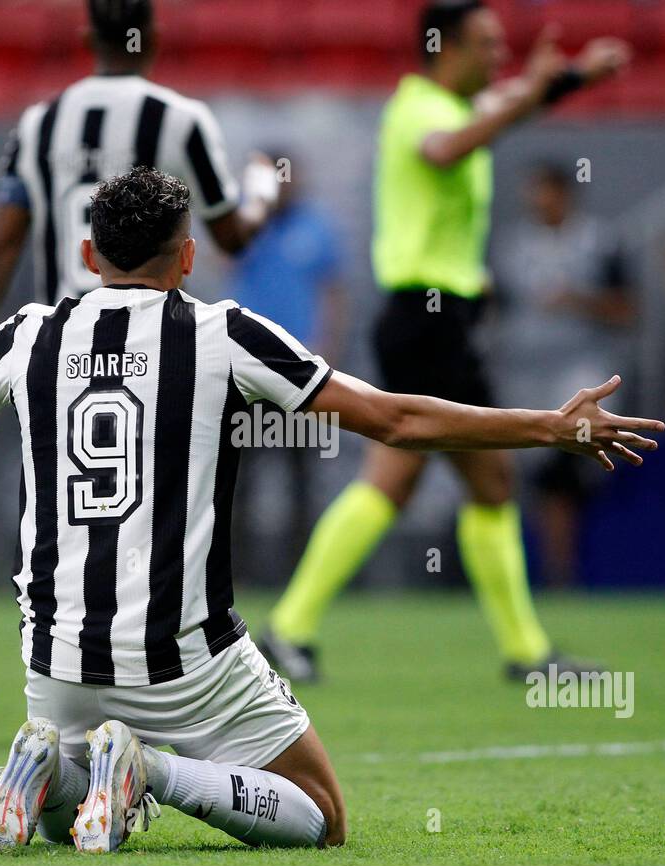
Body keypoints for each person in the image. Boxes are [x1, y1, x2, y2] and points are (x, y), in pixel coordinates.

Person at [0, 167, 665, 852]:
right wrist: (552, 426)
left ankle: (55, 765)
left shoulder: (30, 334)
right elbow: (396, 418)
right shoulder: (222, 334)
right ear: (187, 256)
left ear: (84, 254)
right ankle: (149, 768)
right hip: (189, 662)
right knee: (324, 818)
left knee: (76, 756)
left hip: (55, 664)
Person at [256, 0, 631, 683]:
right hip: (425, 317)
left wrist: (567, 80)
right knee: (456, 478)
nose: (499, 55)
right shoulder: (421, 109)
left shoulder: (457, 106)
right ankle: (521, 654)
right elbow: (451, 147)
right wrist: (544, 89)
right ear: (445, 48)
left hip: (439, 318)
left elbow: (503, 106)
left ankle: (292, 630)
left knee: (447, 480)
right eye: (486, 43)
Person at [0, 0, 277, 360]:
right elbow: (232, 239)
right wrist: (262, 190)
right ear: (152, 39)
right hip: (153, 350)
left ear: (89, 39)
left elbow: (1, 248)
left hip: (60, 354)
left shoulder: (39, 123)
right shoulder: (181, 120)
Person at [494, 161, 634, 588]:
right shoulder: (511, 245)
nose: (539, 200)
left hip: (579, 368)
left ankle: (565, 570)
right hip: (524, 371)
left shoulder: (600, 241)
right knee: (539, 475)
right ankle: (556, 572)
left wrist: (579, 301)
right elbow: (494, 306)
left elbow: (626, 310)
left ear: (566, 193)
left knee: (572, 472)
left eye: (547, 191)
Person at [226, 151, 347, 572]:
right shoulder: (244, 226)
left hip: (300, 369)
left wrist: (329, 346)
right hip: (245, 369)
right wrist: (255, 210)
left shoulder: (316, 226)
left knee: (301, 478)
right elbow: (223, 259)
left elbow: (331, 291)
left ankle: (301, 571)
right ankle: (231, 572)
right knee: (237, 476)